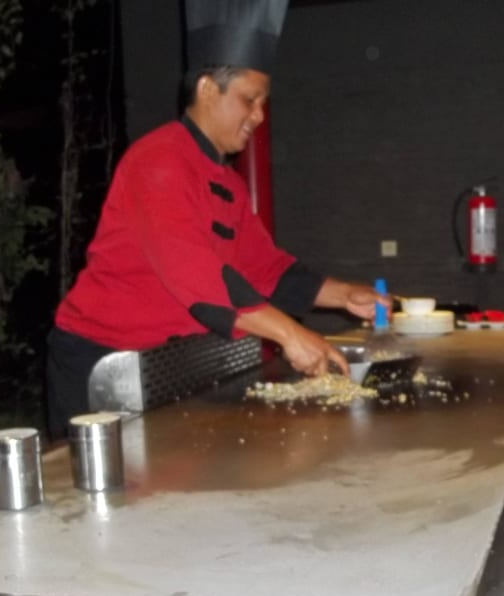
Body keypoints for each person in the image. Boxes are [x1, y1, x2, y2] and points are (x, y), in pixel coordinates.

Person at [46, 0, 387, 437]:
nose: (258, 116)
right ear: (208, 90)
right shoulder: (159, 160)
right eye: (250, 100)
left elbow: (264, 269)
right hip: (101, 363)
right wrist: (289, 334)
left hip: (164, 363)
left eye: (263, 103)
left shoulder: (227, 183)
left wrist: (343, 295)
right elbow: (200, 278)